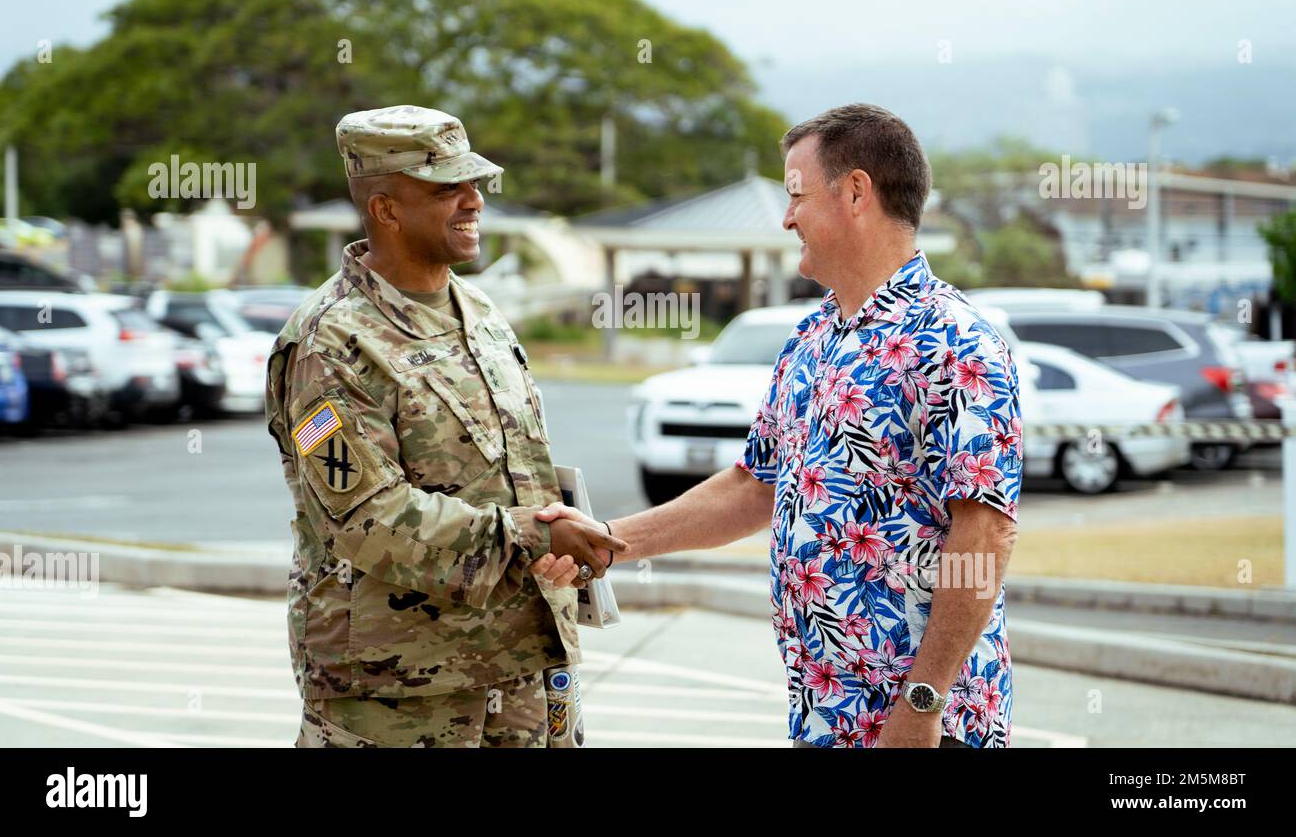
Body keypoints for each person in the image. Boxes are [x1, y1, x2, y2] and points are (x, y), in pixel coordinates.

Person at [539, 103, 1021, 748]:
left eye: (796, 195)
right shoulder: (813, 335)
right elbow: (754, 488)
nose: (787, 215)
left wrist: (923, 702)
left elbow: (985, 533)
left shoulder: (955, 342)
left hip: (924, 724)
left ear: (856, 192)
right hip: (826, 712)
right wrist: (609, 540)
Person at [266, 104, 627, 747]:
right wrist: (535, 538)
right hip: (399, 689)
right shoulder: (328, 344)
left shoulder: (479, 310)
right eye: (446, 188)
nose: (473, 201)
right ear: (386, 208)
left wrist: (556, 532)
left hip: (523, 664)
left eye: (475, 183)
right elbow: (364, 520)